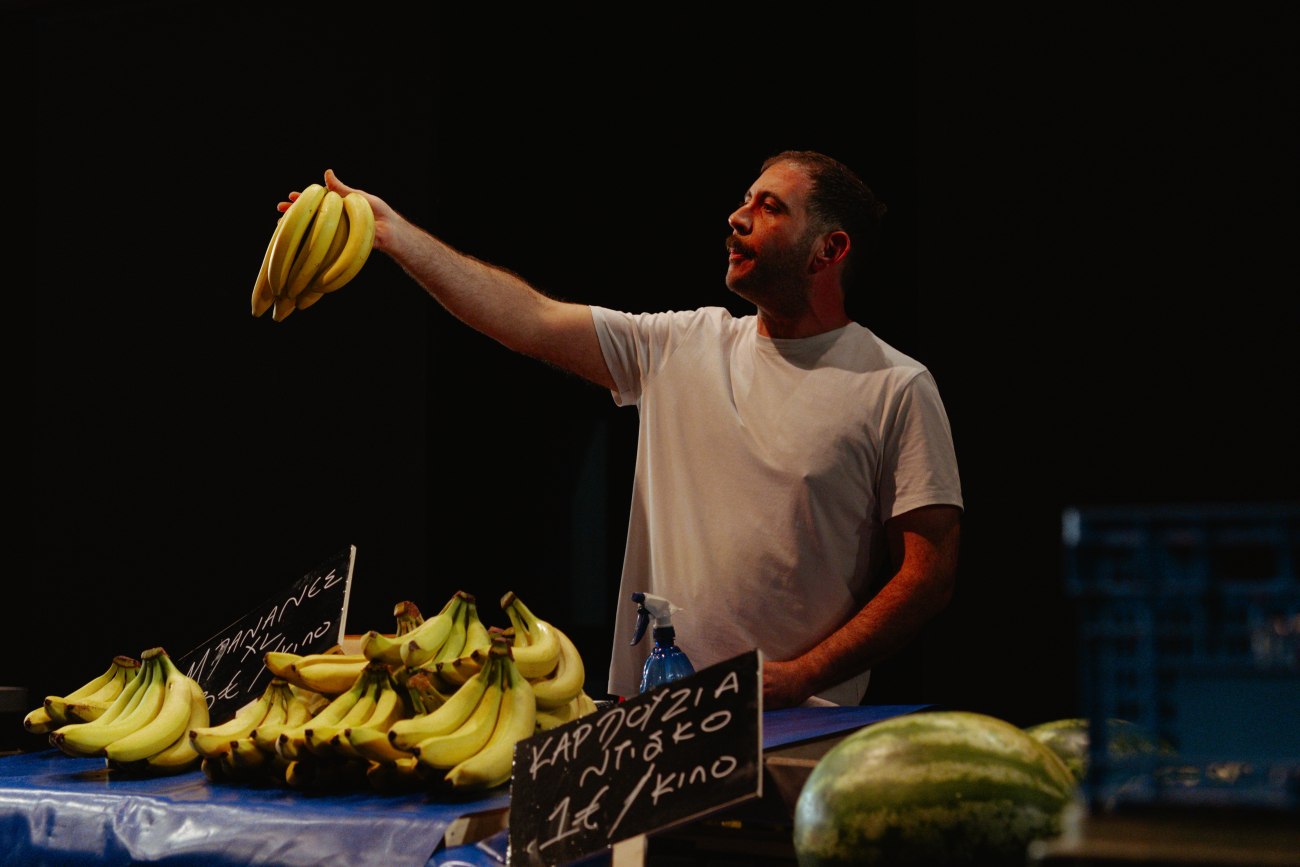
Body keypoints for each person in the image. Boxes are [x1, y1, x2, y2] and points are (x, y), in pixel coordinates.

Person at [283, 150, 963, 709]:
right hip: (650, 717)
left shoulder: (895, 385)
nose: (737, 218)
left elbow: (927, 576)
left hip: (798, 725)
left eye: (770, 207)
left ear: (829, 249)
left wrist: (802, 676)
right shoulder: (681, 345)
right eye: (745, 200)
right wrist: (393, 233)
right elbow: (529, 319)